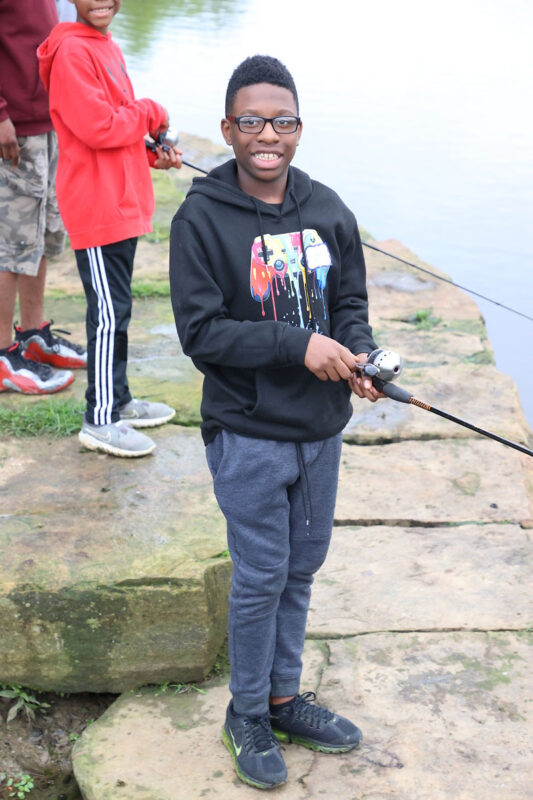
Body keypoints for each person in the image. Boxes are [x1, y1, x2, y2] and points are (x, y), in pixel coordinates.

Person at [169, 54, 383, 790]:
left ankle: (284, 698)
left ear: (299, 128)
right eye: (252, 121)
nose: (268, 134)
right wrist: (299, 346)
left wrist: (359, 353)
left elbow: (348, 302)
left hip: (319, 432)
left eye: (282, 121)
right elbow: (202, 333)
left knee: (302, 566)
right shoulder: (201, 219)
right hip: (248, 431)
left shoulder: (327, 208)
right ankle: (247, 713)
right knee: (261, 574)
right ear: (227, 128)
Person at [37, 0, 182, 457]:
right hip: (96, 207)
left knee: (117, 310)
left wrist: (151, 153)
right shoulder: (71, 52)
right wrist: (151, 110)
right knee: (107, 314)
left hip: (120, 201)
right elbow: (99, 127)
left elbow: (116, 128)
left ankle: (118, 400)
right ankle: (99, 419)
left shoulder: (105, 45)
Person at [0, 0, 86, 396]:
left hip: (47, 119)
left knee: (40, 232)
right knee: (10, 244)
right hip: (13, 127)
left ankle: (32, 336)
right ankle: (3, 355)